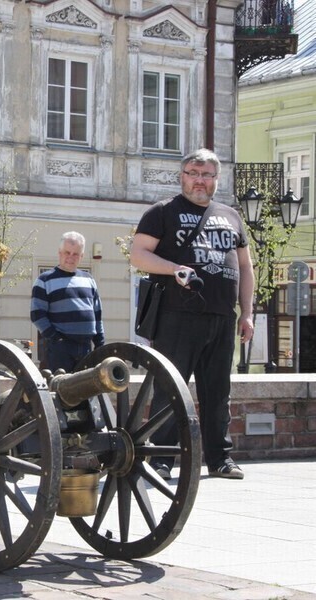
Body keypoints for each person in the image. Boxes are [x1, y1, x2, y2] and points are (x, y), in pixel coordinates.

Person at [130, 148, 254, 481]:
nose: (200, 180)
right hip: (177, 315)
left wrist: (247, 313)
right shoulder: (162, 212)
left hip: (222, 316)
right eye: (193, 173)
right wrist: (174, 270)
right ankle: (161, 459)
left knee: (218, 391)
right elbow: (138, 255)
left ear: (216, 179)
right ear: (182, 175)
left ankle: (220, 459)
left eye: (207, 174)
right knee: (170, 389)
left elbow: (244, 266)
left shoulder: (231, 215)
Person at [30, 232, 105, 373]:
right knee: (61, 392)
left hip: (86, 348)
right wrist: (56, 338)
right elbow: (37, 314)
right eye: (67, 252)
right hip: (60, 349)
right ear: (59, 253)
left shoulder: (89, 280)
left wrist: (100, 343)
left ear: (81, 256)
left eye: (76, 254)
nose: (71, 257)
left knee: (85, 392)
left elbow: (97, 314)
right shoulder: (45, 280)